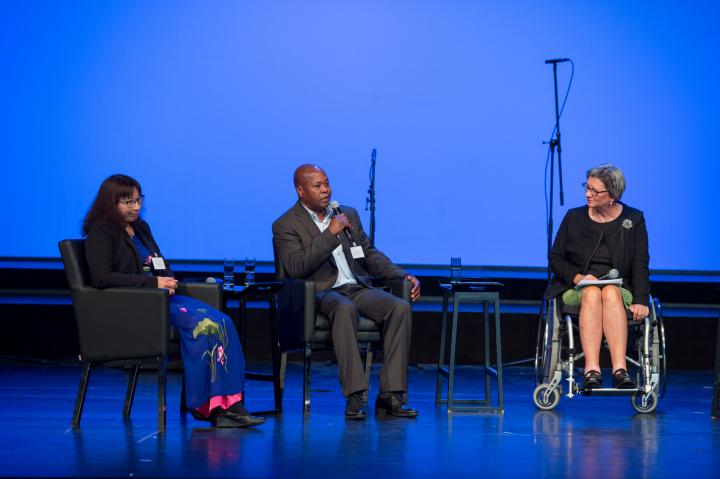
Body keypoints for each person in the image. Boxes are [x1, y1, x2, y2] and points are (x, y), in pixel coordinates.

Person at [83, 174, 264, 428]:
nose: (136, 207)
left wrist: (167, 277)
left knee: (221, 321)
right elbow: (102, 278)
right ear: (110, 203)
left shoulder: (141, 228)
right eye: (128, 202)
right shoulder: (101, 232)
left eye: (138, 200)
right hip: (137, 306)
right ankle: (206, 407)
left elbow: (159, 261)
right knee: (202, 325)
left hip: (162, 299)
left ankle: (231, 403)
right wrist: (153, 283)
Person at [272, 164, 421, 420]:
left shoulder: (346, 214)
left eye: (327, 183)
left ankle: (390, 395)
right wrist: (330, 234)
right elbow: (296, 268)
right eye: (317, 186)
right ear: (300, 190)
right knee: (343, 307)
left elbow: (369, 255)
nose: (326, 191)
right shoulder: (285, 225)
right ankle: (355, 396)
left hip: (356, 286)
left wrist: (400, 275)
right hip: (318, 293)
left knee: (400, 307)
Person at [546, 164, 650, 390]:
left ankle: (619, 369)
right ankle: (591, 369)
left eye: (594, 190)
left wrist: (641, 299)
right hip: (578, 288)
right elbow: (556, 258)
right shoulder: (574, 218)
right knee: (593, 292)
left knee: (611, 292)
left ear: (612, 195)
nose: (587, 194)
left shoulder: (634, 219)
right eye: (587, 187)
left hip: (618, 287)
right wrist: (577, 277)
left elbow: (640, 263)